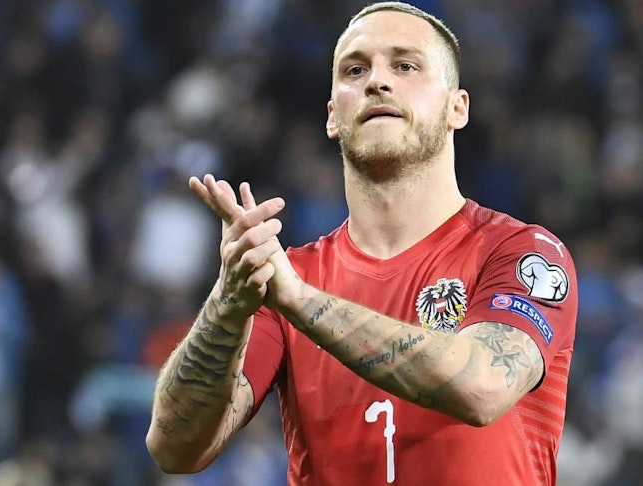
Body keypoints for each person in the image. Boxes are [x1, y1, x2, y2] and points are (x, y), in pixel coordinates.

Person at [145, 2, 579, 485]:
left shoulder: (521, 252)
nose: (376, 81)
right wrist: (228, 300)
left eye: (405, 66)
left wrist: (299, 301)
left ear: (457, 108)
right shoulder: (285, 279)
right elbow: (174, 447)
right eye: (355, 70)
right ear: (333, 116)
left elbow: (483, 387)